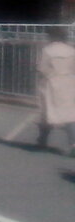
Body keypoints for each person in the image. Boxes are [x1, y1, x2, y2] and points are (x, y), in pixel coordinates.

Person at [37, 26, 75, 155]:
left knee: (48, 112)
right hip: (68, 82)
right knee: (69, 113)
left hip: (51, 82)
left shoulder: (47, 50)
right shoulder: (71, 50)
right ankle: (73, 142)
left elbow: (42, 67)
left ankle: (43, 140)